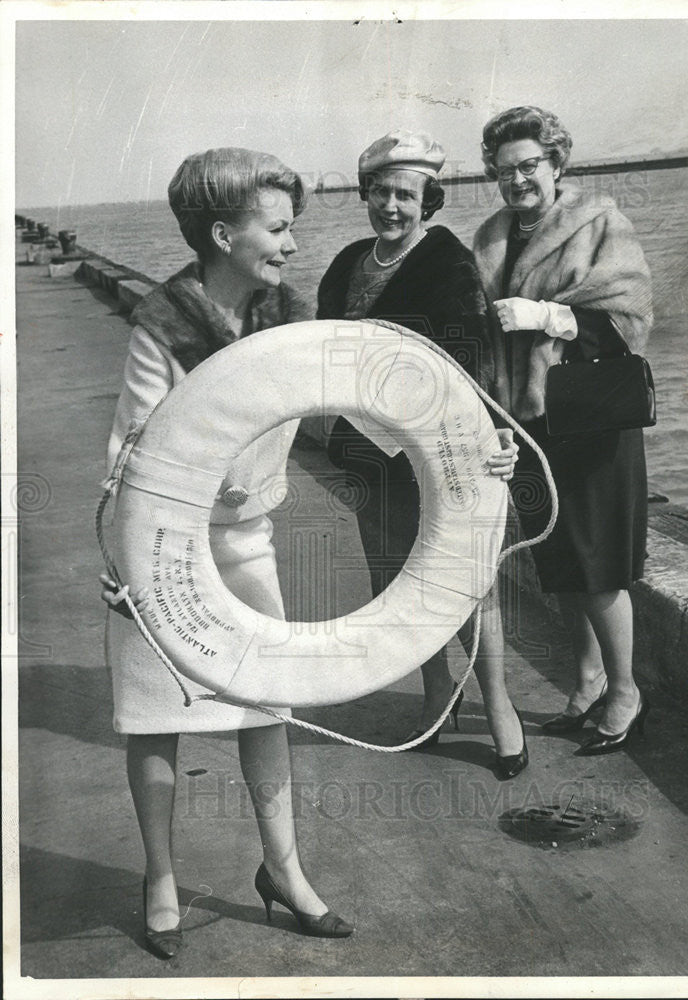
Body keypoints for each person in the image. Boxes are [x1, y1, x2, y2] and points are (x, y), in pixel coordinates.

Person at [100, 148, 353, 958]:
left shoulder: (287, 315)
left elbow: (359, 404)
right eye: (276, 228)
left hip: (247, 550)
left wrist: (464, 442)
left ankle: (284, 870)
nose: (289, 243)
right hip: (160, 554)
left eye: (292, 228)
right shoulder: (164, 326)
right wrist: (167, 530)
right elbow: (133, 457)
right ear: (221, 233)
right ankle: (162, 878)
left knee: (264, 709)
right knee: (155, 719)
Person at [317, 130, 527, 777]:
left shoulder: (447, 263)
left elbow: (483, 360)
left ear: (427, 199)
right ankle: (438, 697)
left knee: (465, 583)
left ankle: (498, 711)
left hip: (442, 453)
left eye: (405, 195)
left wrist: (501, 433)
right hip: (369, 453)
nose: (390, 206)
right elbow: (321, 351)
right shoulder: (347, 263)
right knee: (398, 584)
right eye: (380, 192)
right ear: (365, 194)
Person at [472, 106, 654, 755]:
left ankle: (625, 691)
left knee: (599, 566)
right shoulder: (490, 236)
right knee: (559, 563)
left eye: (528, 165)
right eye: (504, 169)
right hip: (526, 426)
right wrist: (490, 420)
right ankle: (585, 683)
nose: (517, 179)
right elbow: (485, 344)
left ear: (555, 163)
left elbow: (631, 321)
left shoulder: (599, 220)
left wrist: (549, 315)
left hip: (591, 422)